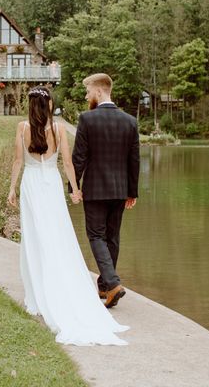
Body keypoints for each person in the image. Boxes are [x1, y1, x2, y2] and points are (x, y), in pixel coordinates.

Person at [7, 86, 129, 346]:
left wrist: (11, 189)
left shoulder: (21, 127)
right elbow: (68, 163)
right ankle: (61, 285)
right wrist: (75, 189)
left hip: (31, 184)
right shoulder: (59, 129)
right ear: (48, 104)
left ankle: (39, 292)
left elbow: (18, 161)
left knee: (35, 237)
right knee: (58, 235)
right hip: (50, 185)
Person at [72, 73, 140, 309]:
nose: (86, 95)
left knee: (96, 235)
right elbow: (134, 160)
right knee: (112, 236)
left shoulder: (87, 119)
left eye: (88, 91)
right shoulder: (130, 121)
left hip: (95, 189)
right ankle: (104, 286)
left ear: (99, 91)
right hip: (120, 189)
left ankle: (112, 283)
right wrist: (132, 191)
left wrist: (73, 187)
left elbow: (78, 158)